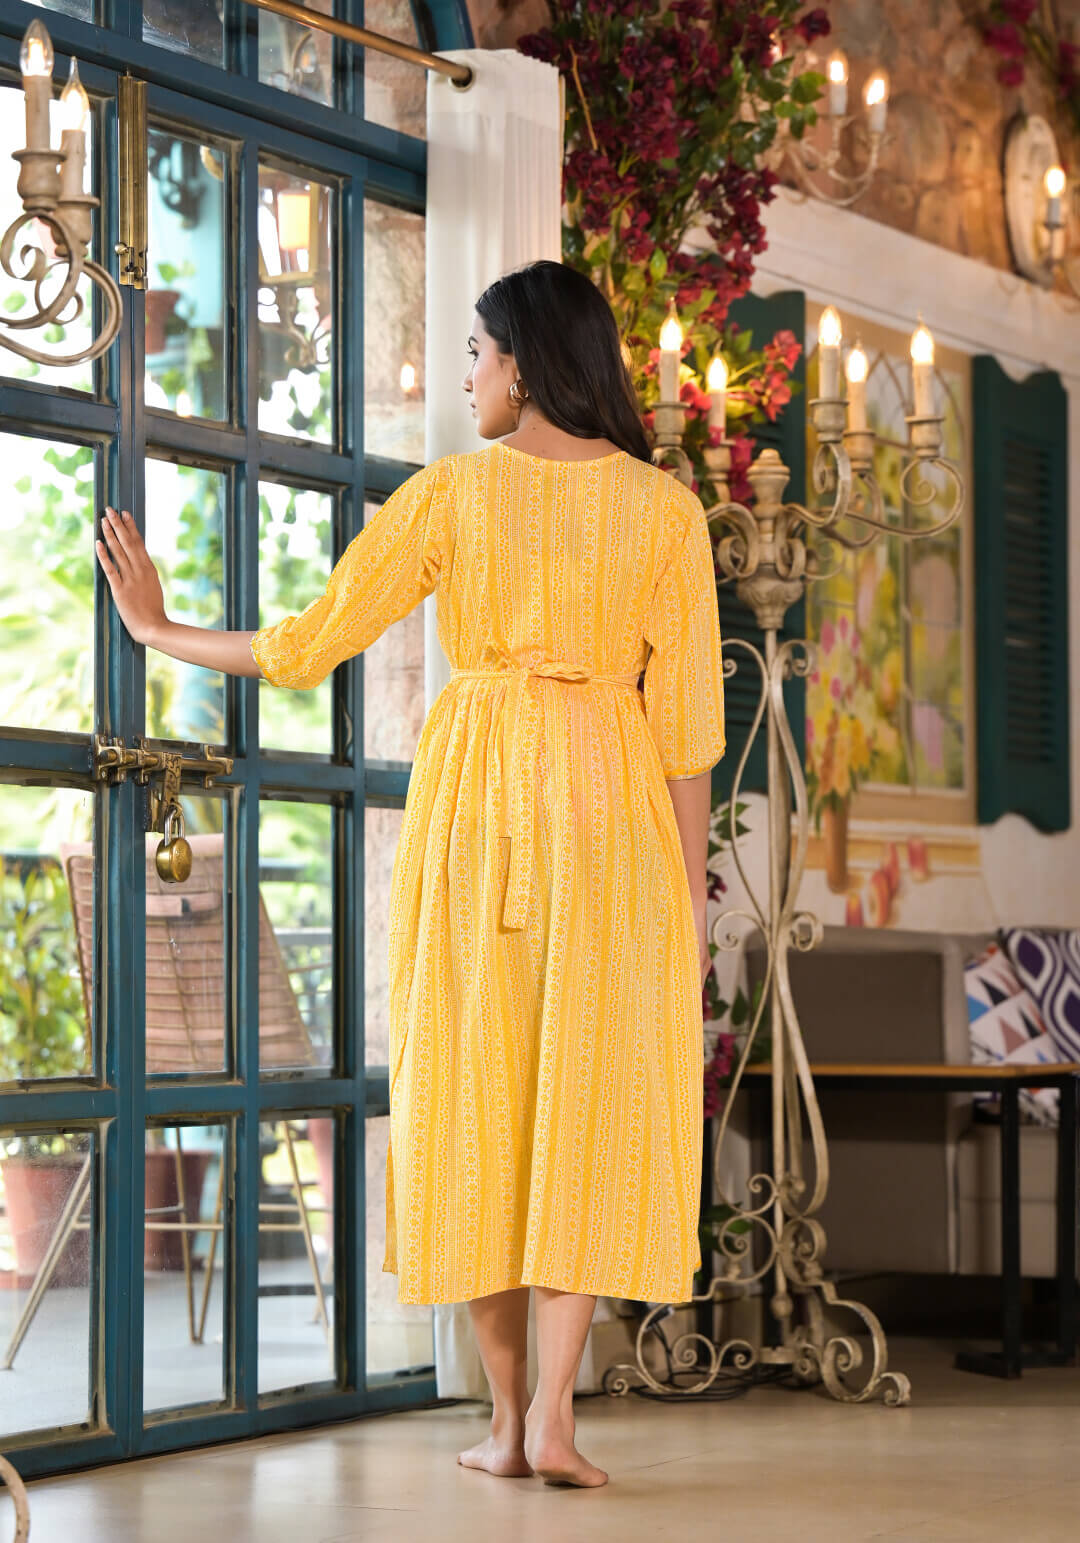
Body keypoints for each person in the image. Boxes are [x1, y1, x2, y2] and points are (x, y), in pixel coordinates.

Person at [95, 257, 725, 1489]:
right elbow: (689, 736)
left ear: (526, 363)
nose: (467, 376)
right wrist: (685, 914)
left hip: (480, 813)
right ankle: (555, 1417)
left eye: (478, 353)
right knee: (587, 1105)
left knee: (477, 1095)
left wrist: (161, 629)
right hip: (615, 829)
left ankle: (506, 1423)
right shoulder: (667, 512)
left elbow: (309, 641)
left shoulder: (451, 495)